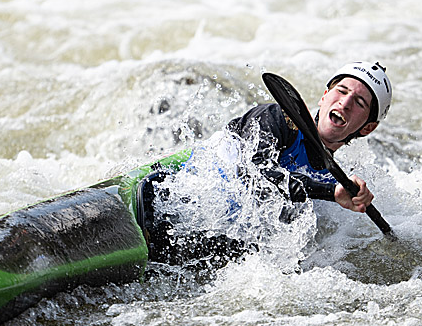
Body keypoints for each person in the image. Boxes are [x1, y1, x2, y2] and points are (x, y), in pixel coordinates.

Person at [138, 61, 393, 269]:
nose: (345, 103)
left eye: (359, 103)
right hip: (169, 198)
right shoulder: (276, 117)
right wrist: (330, 193)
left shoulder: (328, 177)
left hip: (213, 240)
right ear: (325, 96)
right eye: (342, 91)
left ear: (367, 128)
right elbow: (255, 170)